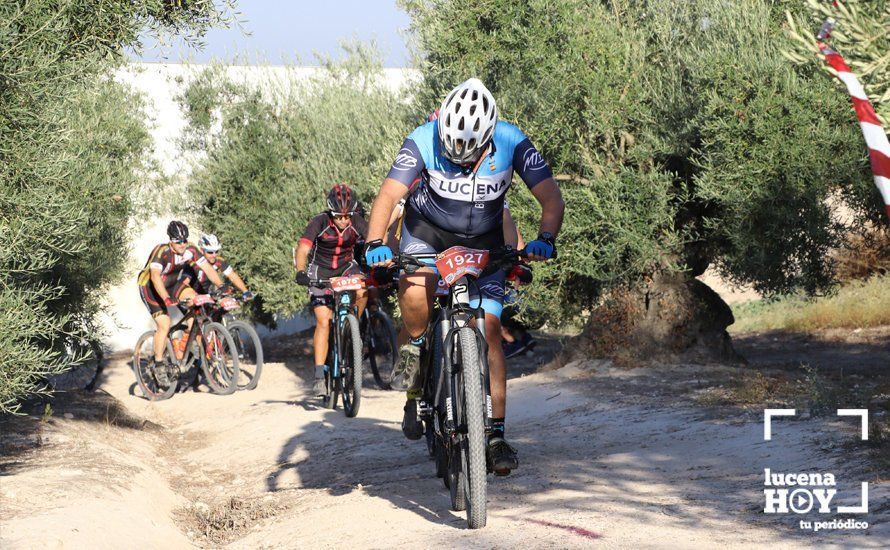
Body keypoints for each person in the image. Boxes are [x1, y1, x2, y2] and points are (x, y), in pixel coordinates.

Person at [364, 78, 564, 475]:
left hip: (483, 240)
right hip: (426, 233)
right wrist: (374, 242)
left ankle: (495, 434)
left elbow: (551, 197)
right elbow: (388, 196)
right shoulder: (423, 137)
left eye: (467, 152)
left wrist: (545, 238)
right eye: (451, 148)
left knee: (490, 329)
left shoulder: (511, 140)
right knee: (416, 296)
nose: (457, 158)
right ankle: (417, 357)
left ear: (489, 135)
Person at [293, 184, 369, 396]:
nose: (344, 221)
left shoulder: (357, 222)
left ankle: (353, 328)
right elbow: (303, 249)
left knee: (363, 289)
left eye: (347, 216)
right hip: (320, 271)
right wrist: (300, 271)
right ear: (330, 212)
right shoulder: (319, 222)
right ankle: (318, 377)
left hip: (347, 267)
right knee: (323, 320)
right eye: (338, 216)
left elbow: (373, 241)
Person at [137, 221, 225, 381]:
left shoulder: (191, 249)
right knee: (164, 324)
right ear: (171, 240)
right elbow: (155, 277)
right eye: (179, 241)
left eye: (185, 240)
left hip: (173, 285)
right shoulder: (161, 251)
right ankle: (157, 363)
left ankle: (183, 348)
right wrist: (166, 298)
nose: (183, 244)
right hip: (151, 288)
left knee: (197, 305)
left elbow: (207, 269)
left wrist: (221, 285)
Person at [173, 234, 254, 300]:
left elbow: (233, 276)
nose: (214, 255)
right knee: (193, 314)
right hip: (187, 292)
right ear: (201, 251)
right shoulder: (193, 262)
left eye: (216, 251)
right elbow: (184, 281)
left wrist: (245, 291)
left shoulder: (219, 261)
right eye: (210, 252)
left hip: (205, 294)